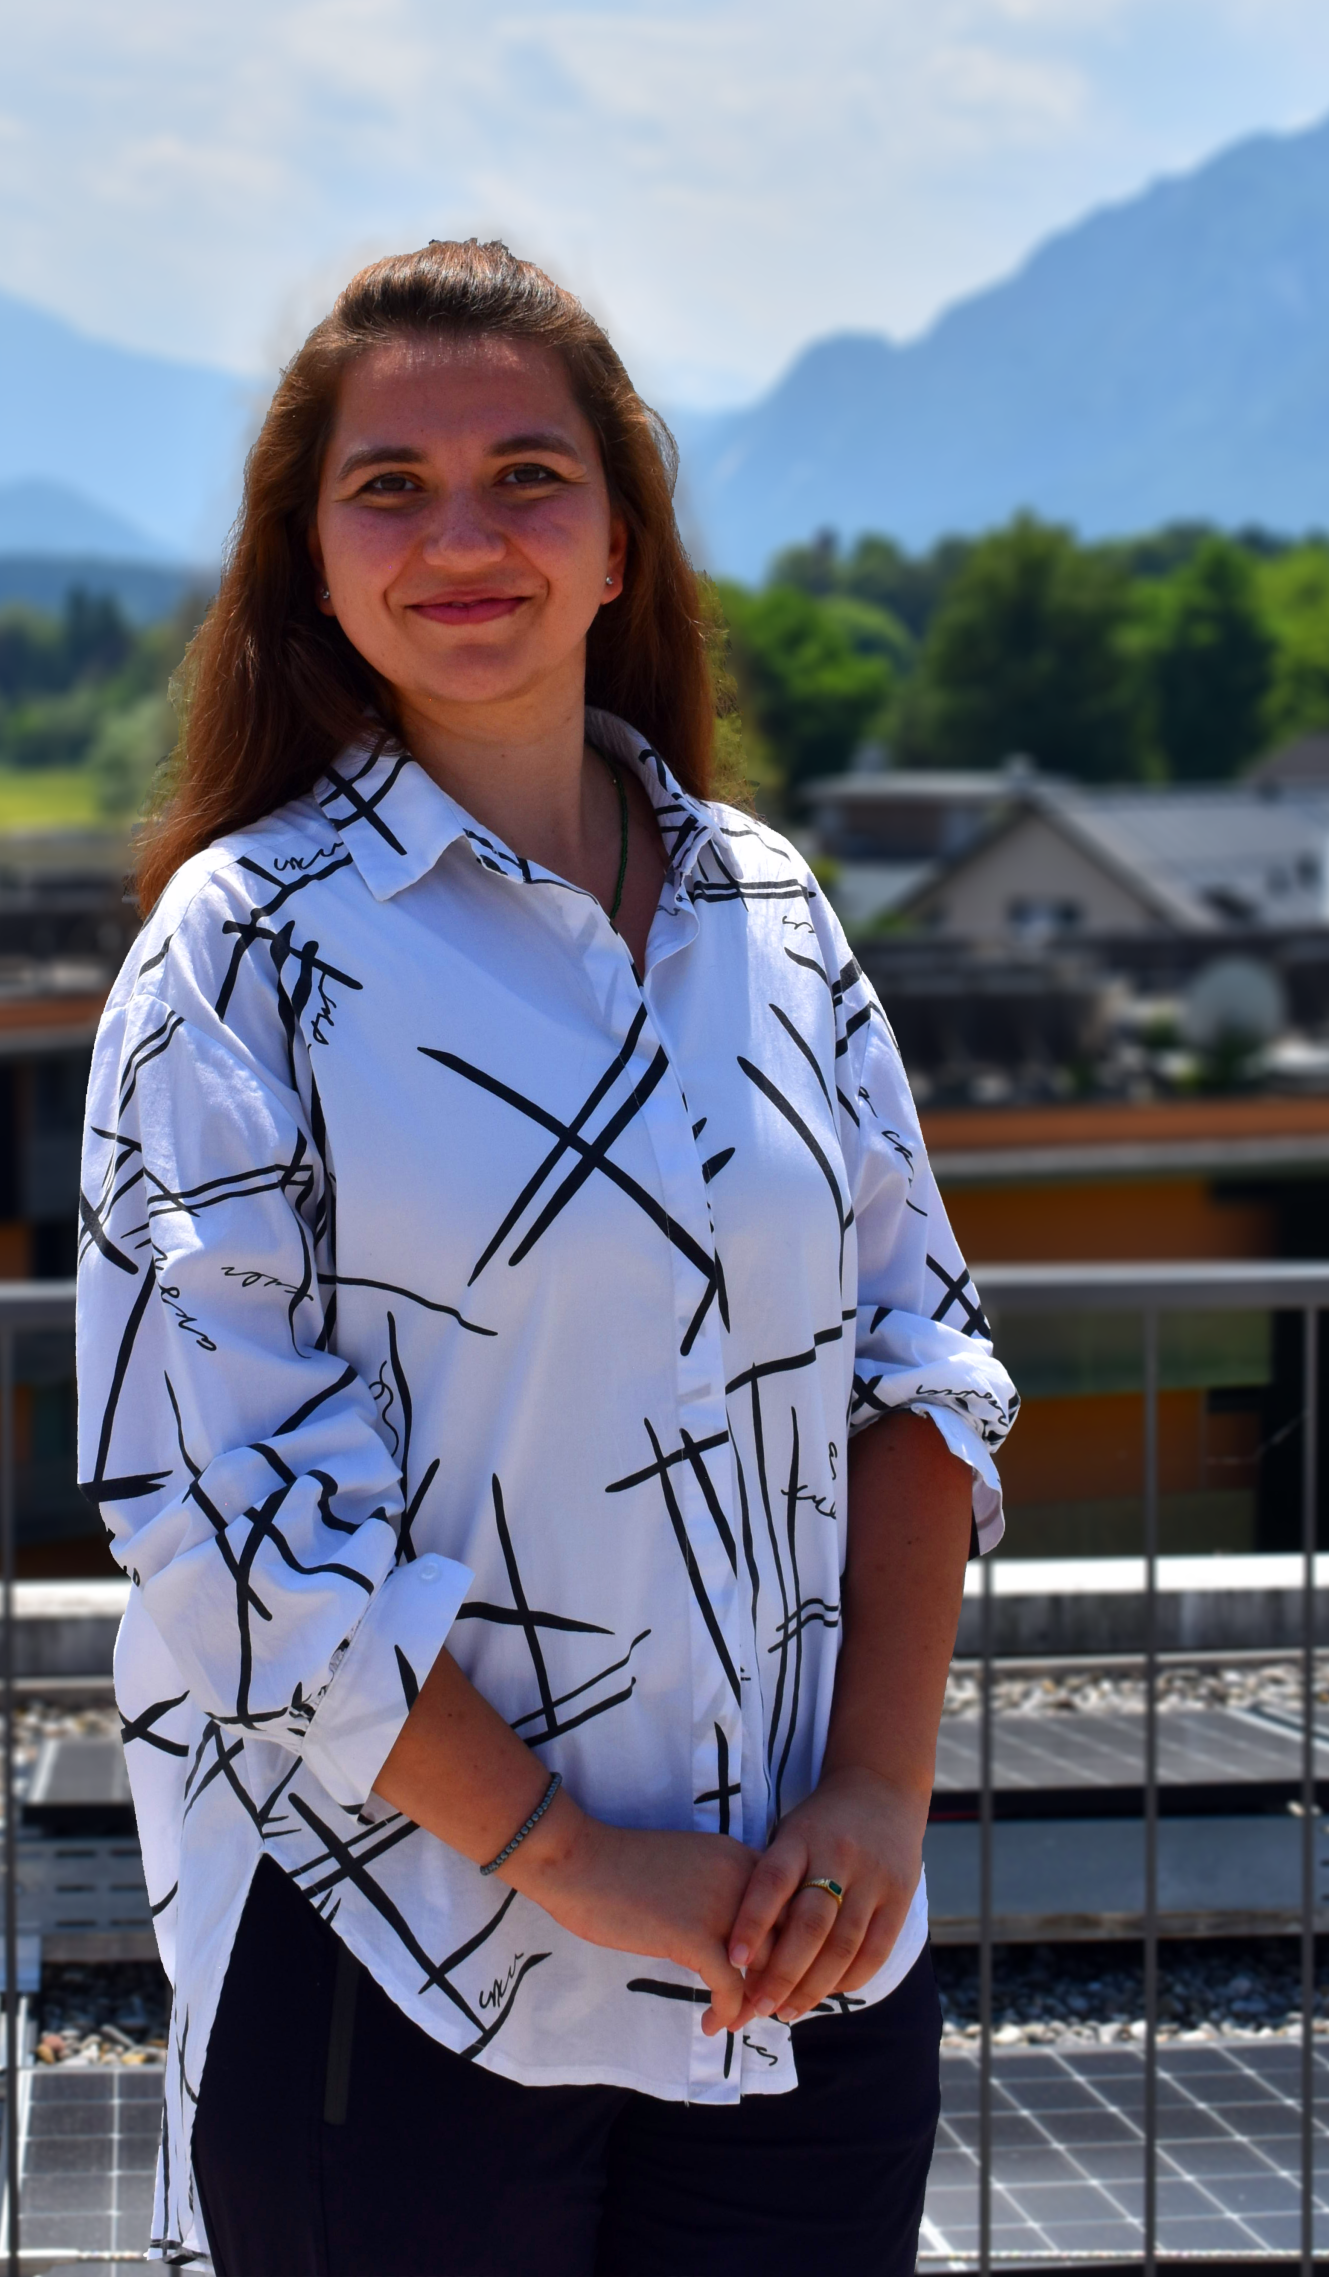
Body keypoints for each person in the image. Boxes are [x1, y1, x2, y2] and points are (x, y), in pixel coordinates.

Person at [76, 239, 1017, 2277]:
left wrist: (876, 1791)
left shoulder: (768, 911)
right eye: (388, 488)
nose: (461, 537)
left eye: (527, 475)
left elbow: (918, 1360)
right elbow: (223, 1511)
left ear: (619, 543)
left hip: (800, 1954)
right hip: (399, 1948)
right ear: (310, 563)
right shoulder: (241, 956)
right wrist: (574, 1860)